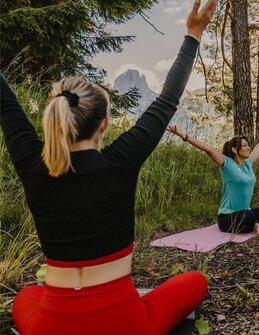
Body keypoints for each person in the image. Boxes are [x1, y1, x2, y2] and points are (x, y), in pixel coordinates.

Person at [1, 1, 217, 334]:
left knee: (28, 295)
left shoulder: (32, 164)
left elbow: (6, 105)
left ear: (53, 120)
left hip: (51, 325)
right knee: (195, 281)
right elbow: (167, 100)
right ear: (104, 125)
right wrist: (193, 33)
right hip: (126, 323)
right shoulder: (119, 161)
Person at [167, 126, 259, 234]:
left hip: (245, 212)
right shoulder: (227, 163)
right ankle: (254, 224)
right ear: (234, 149)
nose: (248, 148)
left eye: (248, 145)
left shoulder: (248, 162)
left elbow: (258, 149)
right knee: (248, 216)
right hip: (227, 217)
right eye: (244, 145)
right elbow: (208, 149)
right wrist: (184, 136)